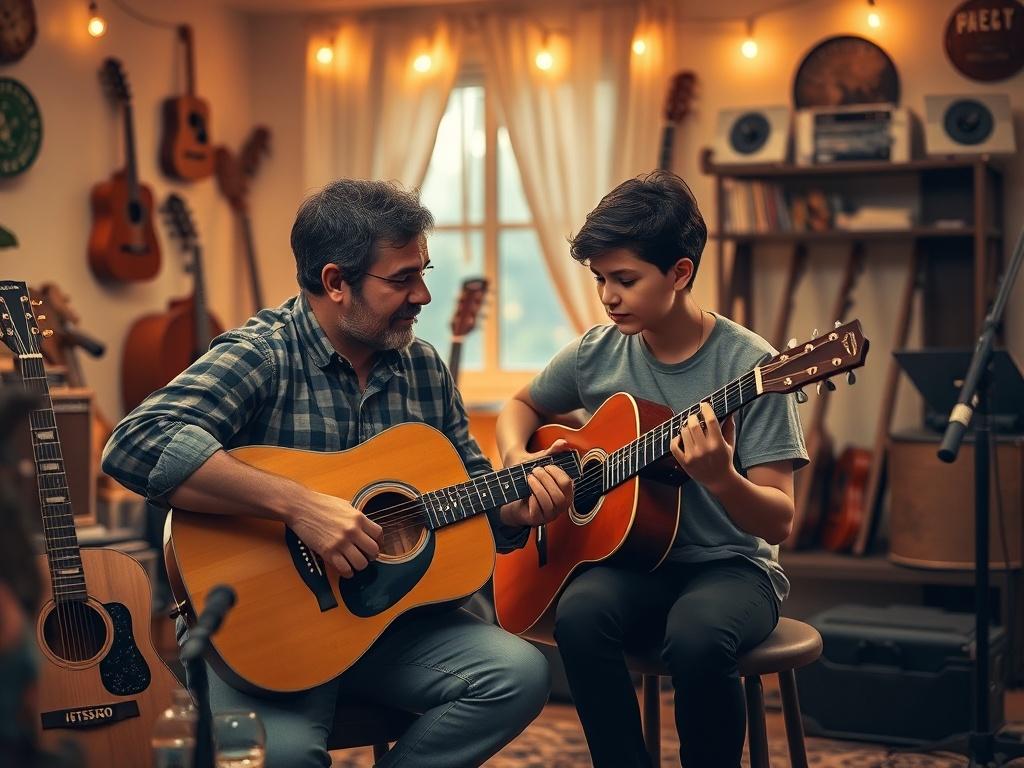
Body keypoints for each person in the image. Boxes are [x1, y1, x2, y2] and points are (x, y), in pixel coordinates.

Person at [101, 179, 574, 768]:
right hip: (270, 633)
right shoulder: (262, 353)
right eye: (401, 279)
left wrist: (518, 507)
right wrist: (300, 506)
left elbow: (472, 494)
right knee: (285, 759)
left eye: (422, 272)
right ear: (334, 282)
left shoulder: (422, 368)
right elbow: (135, 442)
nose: (423, 295)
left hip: (390, 628)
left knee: (518, 674)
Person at [495, 170, 809, 768]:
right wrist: (520, 458)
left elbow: (779, 519)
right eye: (600, 281)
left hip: (733, 570)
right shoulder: (598, 351)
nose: (608, 296)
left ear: (680, 272)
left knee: (696, 637)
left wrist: (721, 479)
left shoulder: (754, 368)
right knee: (581, 613)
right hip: (636, 564)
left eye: (625, 280)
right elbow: (520, 406)